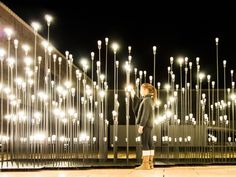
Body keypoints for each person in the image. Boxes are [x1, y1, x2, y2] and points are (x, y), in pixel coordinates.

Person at [131, 83, 157, 170]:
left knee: (144, 143)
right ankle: (150, 163)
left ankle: (145, 165)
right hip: (149, 125)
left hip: (145, 125)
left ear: (146, 90)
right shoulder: (149, 100)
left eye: (141, 89)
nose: (140, 91)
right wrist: (133, 95)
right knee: (150, 144)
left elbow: (145, 115)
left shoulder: (146, 101)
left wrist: (141, 126)